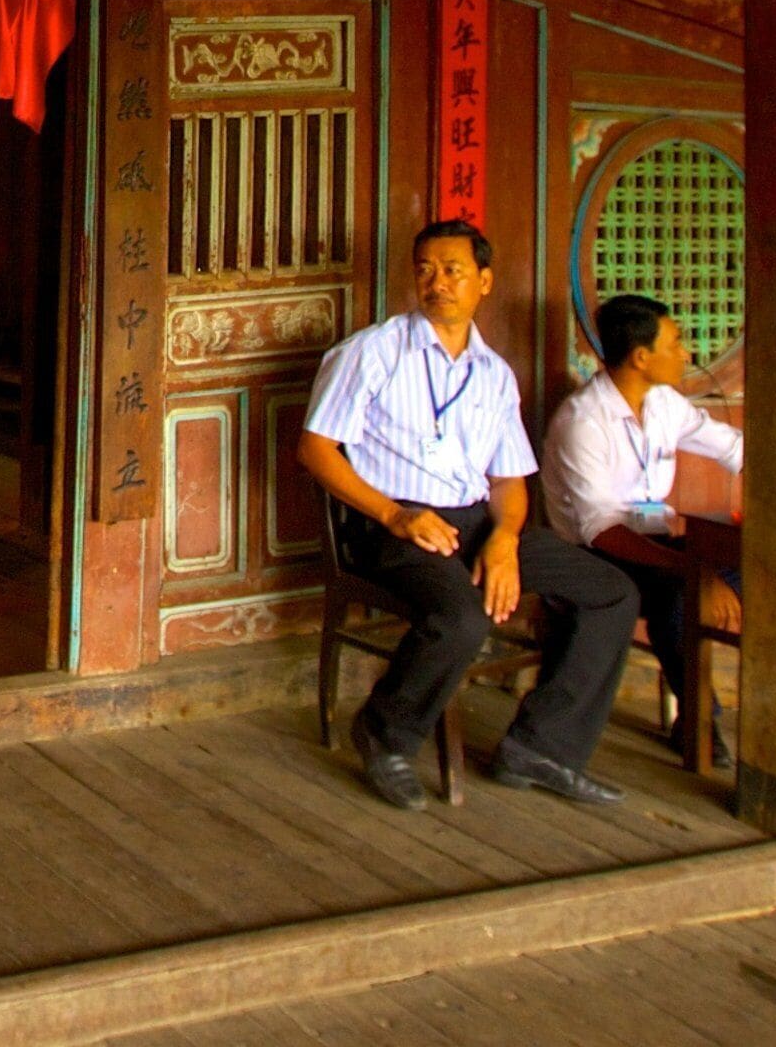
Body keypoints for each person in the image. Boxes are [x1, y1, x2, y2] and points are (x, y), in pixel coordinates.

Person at [297, 219, 639, 811]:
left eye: (452, 270)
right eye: (425, 270)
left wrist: (505, 539)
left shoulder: (494, 375)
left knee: (611, 593)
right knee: (461, 618)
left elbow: (509, 479)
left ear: (484, 281)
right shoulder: (374, 353)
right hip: (395, 525)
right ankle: (384, 735)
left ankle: (542, 748)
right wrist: (395, 516)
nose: (437, 283)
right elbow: (315, 448)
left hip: (478, 522)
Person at [540, 294, 744, 760]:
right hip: (596, 554)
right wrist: (693, 572)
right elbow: (601, 529)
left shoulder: (664, 404)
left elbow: (734, 448)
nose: (686, 354)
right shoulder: (583, 421)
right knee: (679, 598)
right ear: (641, 357)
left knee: (755, 568)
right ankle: (700, 721)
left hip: (656, 540)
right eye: (675, 343)